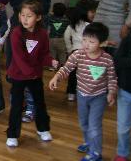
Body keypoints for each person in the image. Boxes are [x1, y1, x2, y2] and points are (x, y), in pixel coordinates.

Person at [49, 22, 117, 161]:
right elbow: (66, 68)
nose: (86, 44)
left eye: (91, 41)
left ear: (102, 43)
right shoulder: (78, 54)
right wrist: (56, 77)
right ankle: (88, 142)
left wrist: (111, 92)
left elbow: (112, 77)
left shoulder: (107, 59)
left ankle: (96, 153)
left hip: (99, 96)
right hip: (82, 94)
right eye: (84, 39)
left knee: (94, 125)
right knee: (83, 123)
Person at [6, 0, 58, 148]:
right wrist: (30, 73)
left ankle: (43, 129)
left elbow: (44, 54)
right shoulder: (16, 33)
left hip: (35, 75)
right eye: (22, 15)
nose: (25, 19)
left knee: (40, 103)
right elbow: (18, 57)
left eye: (29, 16)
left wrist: (50, 61)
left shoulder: (42, 34)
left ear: (38, 17)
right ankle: (12, 134)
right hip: (18, 75)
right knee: (16, 106)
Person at [113, 9, 131, 161]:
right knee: (122, 128)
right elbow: (117, 61)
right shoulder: (128, 40)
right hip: (126, 93)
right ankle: (122, 153)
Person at [64, 6, 90, 101]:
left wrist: (69, 49)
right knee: (85, 73)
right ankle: (84, 92)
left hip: (75, 51)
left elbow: (66, 37)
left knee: (72, 73)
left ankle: (71, 93)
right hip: (87, 52)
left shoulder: (71, 25)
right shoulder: (88, 25)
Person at [48, 3, 70, 67]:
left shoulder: (50, 18)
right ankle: (63, 67)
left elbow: (48, 14)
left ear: (53, 10)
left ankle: (53, 67)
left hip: (51, 39)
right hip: (62, 39)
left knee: (52, 54)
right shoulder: (66, 20)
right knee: (62, 54)